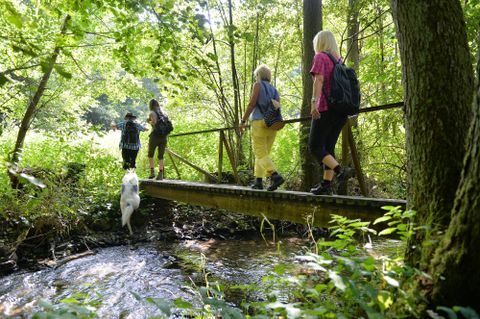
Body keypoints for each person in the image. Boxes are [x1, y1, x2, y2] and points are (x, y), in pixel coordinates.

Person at [308, 30, 350, 195]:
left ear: (319, 42)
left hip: (325, 109)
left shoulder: (320, 57)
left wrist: (314, 103)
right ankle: (326, 185)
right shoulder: (339, 61)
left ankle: (340, 170)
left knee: (315, 146)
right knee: (328, 148)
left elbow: (318, 80)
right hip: (341, 112)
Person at [239, 64, 285, 191]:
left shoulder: (257, 85)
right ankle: (258, 181)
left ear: (258, 75)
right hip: (272, 124)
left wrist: (243, 120)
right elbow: (277, 108)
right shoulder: (275, 90)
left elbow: (251, 104)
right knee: (263, 154)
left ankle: (275, 176)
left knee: (260, 153)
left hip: (259, 123)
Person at [147, 99, 170, 180]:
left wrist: (149, 121)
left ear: (150, 105)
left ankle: (152, 172)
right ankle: (160, 174)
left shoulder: (152, 113)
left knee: (150, 154)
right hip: (164, 137)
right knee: (161, 156)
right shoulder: (164, 113)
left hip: (155, 136)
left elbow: (154, 122)